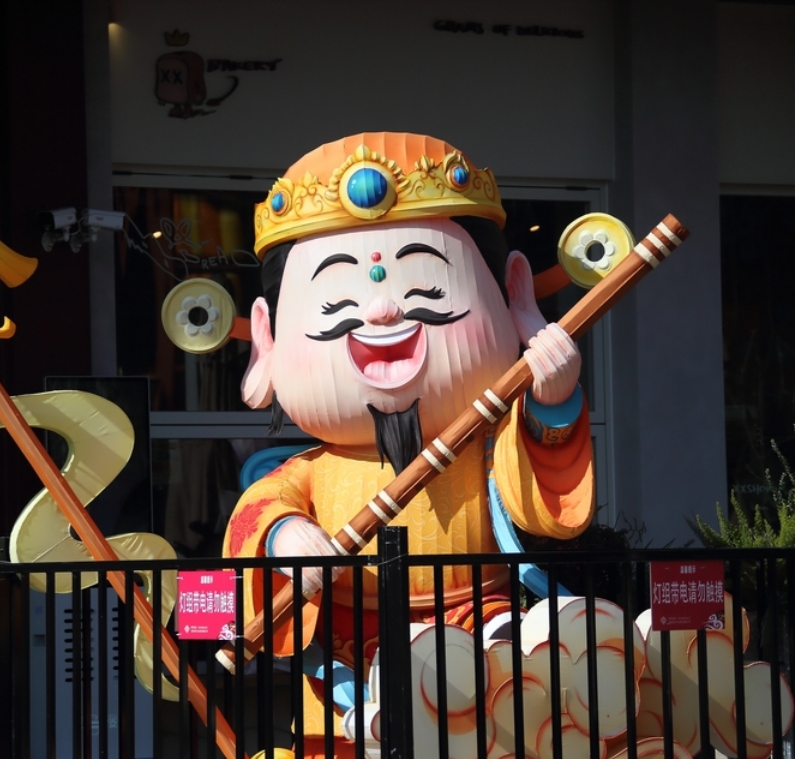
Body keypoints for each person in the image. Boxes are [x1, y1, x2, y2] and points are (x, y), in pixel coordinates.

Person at [229, 133, 595, 725]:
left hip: (479, 622)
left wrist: (551, 403)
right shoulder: (313, 472)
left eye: (427, 292)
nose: (381, 313)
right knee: (354, 736)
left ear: (512, 296)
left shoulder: (487, 445)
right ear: (267, 338)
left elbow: (539, 503)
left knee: (500, 705)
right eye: (335, 307)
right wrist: (285, 536)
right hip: (354, 646)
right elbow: (258, 510)